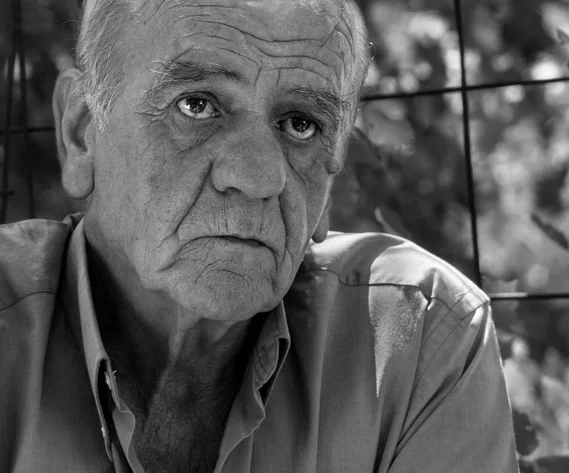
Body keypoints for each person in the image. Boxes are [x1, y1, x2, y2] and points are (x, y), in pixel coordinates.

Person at [0, 0, 519, 472]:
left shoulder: (413, 339)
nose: (259, 177)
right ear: (81, 133)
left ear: (329, 181)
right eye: (197, 105)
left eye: (301, 124)